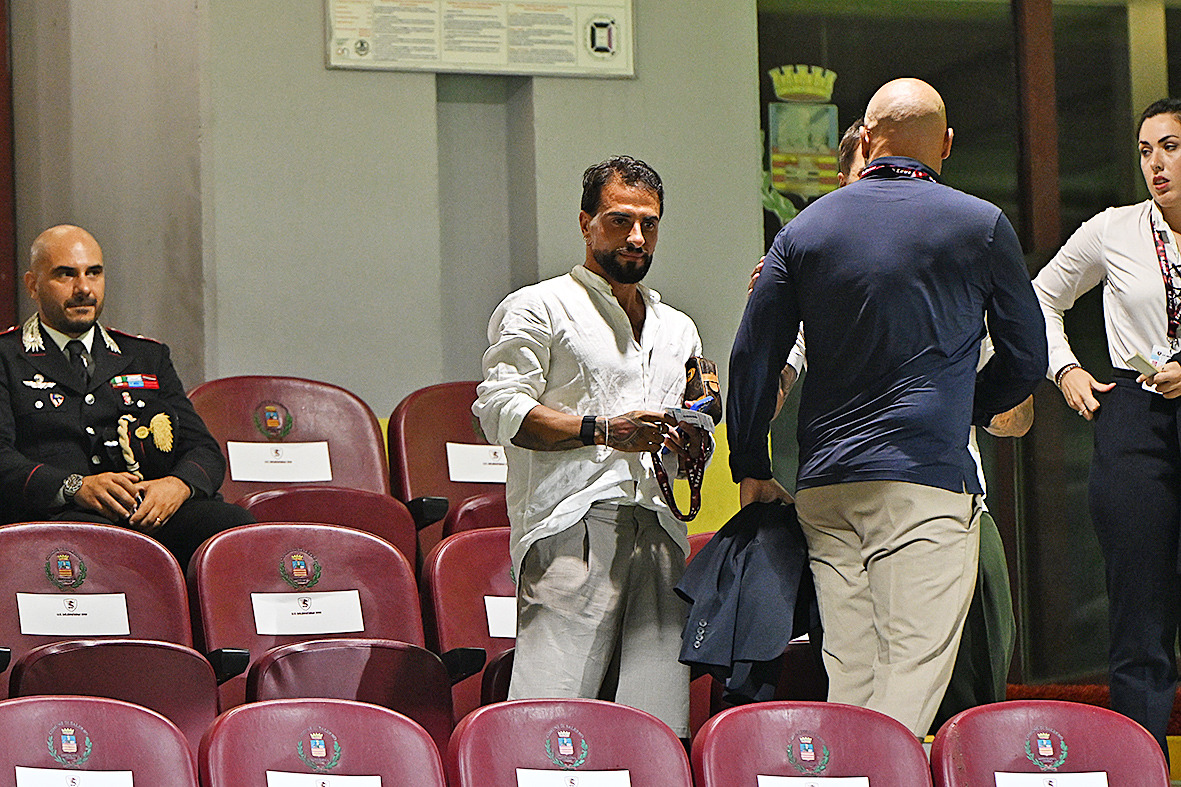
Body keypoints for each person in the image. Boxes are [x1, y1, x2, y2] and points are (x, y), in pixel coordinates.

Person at [728, 78, 1046, 736]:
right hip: (923, 488)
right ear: (946, 144)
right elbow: (1027, 358)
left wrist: (750, 461)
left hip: (825, 489)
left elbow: (752, 356)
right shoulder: (980, 225)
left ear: (866, 139)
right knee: (908, 681)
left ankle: (847, 773)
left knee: (850, 676)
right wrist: (963, 409)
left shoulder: (804, 230)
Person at [472, 155, 708, 738]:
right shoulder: (539, 305)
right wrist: (603, 430)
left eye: (649, 223)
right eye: (620, 220)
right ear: (586, 223)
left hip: (660, 530)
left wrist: (692, 434)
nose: (636, 237)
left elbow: (691, 425)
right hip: (569, 524)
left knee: (655, 727)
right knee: (552, 723)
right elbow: (500, 411)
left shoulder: (678, 328)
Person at [1032, 97, 1181, 757]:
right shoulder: (1114, 229)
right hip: (1135, 420)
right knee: (1138, 606)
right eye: (1146, 150)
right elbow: (1040, 297)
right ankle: (1141, 763)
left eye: (1170, 146)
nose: (1156, 163)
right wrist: (1063, 368)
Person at [0, 225, 254, 567]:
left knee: (233, 528)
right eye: (66, 274)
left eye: (94, 273)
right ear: (33, 285)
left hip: (145, 513)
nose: (84, 288)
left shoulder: (146, 356)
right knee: (94, 542)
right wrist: (76, 487)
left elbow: (203, 450)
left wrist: (176, 486)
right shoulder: (7, 357)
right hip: (59, 515)